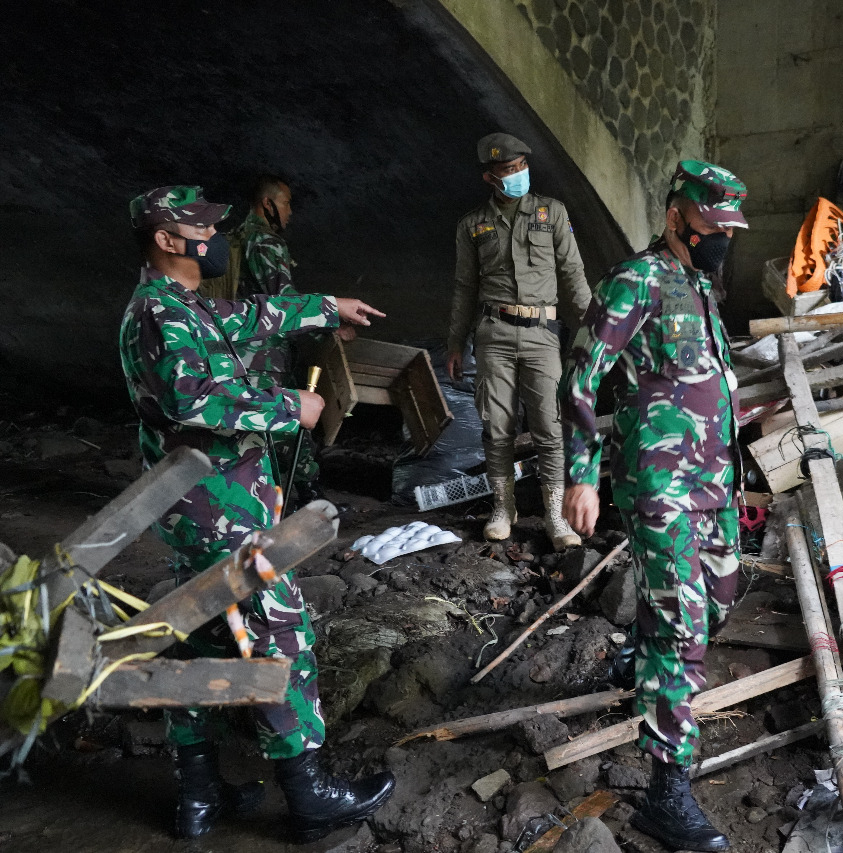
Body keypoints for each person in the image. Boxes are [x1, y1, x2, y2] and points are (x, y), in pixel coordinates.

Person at [119, 185, 394, 843]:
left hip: (207, 504)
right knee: (279, 630)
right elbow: (192, 401)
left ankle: (199, 793)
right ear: (166, 239)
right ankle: (310, 794)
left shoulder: (187, 306)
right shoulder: (159, 314)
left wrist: (327, 308)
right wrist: (284, 407)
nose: (215, 238)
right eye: (202, 228)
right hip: (215, 508)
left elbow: (255, 313)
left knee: (202, 631)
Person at [560, 161, 748, 853]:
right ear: (677, 217)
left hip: (713, 481)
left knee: (723, 592)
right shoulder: (635, 281)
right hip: (660, 485)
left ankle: (642, 660)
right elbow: (579, 381)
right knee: (683, 625)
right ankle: (667, 791)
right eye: (712, 225)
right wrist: (579, 475)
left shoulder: (700, 285)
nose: (722, 238)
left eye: (730, 228)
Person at [445, 132, 592, 551]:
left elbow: (574, 276)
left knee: (549, 424)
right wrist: (455, 342)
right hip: (494, 334)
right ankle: (502, 507)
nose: (518, 176)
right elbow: (464, 287)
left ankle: (553, 515)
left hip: (542, 334)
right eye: (508, 171)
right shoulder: (472, 225)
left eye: (522, 167)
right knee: (497, 425)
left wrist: (601, 332)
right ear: (490, 177)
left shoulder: (552, 213)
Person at [228, 174, 339, 506]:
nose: (290, 212)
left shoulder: (232, 239)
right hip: (264, 354)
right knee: (288, 419)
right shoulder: (265, 242)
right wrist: (329, 325)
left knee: (247, 423)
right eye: (287, 203)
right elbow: (283, 302)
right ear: (268, 204)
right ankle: (307, 498)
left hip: (234, 349)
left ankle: (255, 494)